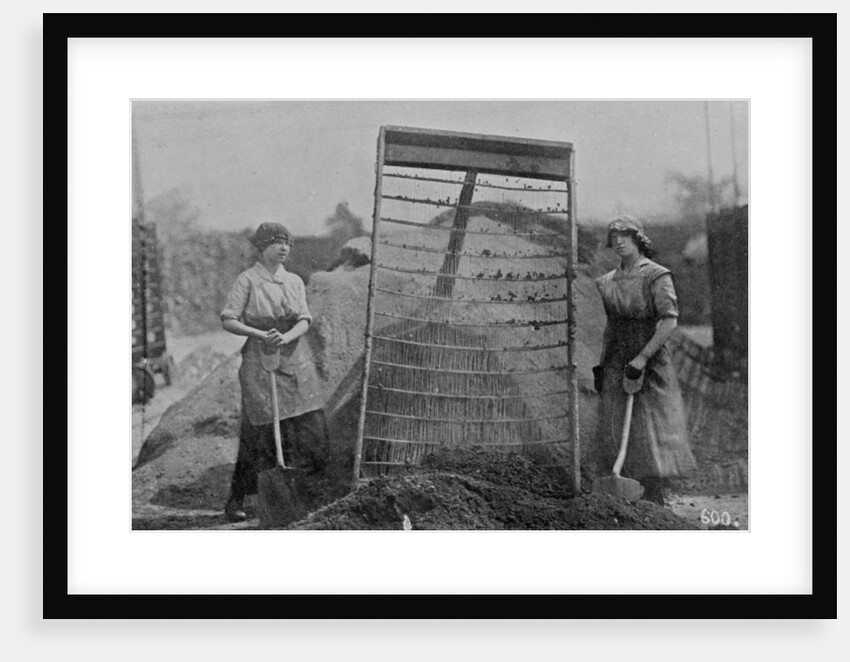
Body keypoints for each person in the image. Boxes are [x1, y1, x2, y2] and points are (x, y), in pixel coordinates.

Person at [220, 222, 330, 522]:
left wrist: (288, 336)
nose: (284, 248)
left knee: (312, 430)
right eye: (277, 243)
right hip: (260, 359)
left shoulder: (294, 281)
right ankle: (237, 500)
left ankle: (306, 497)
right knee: (258, 434)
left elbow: (304, 318)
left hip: (296, 359)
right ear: (262, 247)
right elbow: (228, 319)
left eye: (288, 243)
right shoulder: (247, 281)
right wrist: (259, 334)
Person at [592, 215, 696, 506]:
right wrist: (603, 363)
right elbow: (611, 326)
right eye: (614, 237)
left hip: (649, 357)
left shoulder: (656, 275)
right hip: (617, 357)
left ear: (639, 239)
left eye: (626, 235)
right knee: (615, 421)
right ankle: (626, 497)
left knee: (649, 425)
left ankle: (655, 496)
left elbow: (669, 321)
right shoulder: (607, 282)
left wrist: (642, 358)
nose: (620, 242)